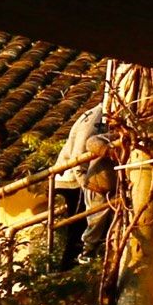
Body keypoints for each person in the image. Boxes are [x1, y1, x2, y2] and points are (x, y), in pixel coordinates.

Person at [52, 97, 108, 268]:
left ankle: (72, 264)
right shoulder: (98, 115)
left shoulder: (98, 113)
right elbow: (79, 152)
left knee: (81, 225)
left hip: (77, 177)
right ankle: (69, 267)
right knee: (78, 227)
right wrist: (84, 182)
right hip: (73, 179)